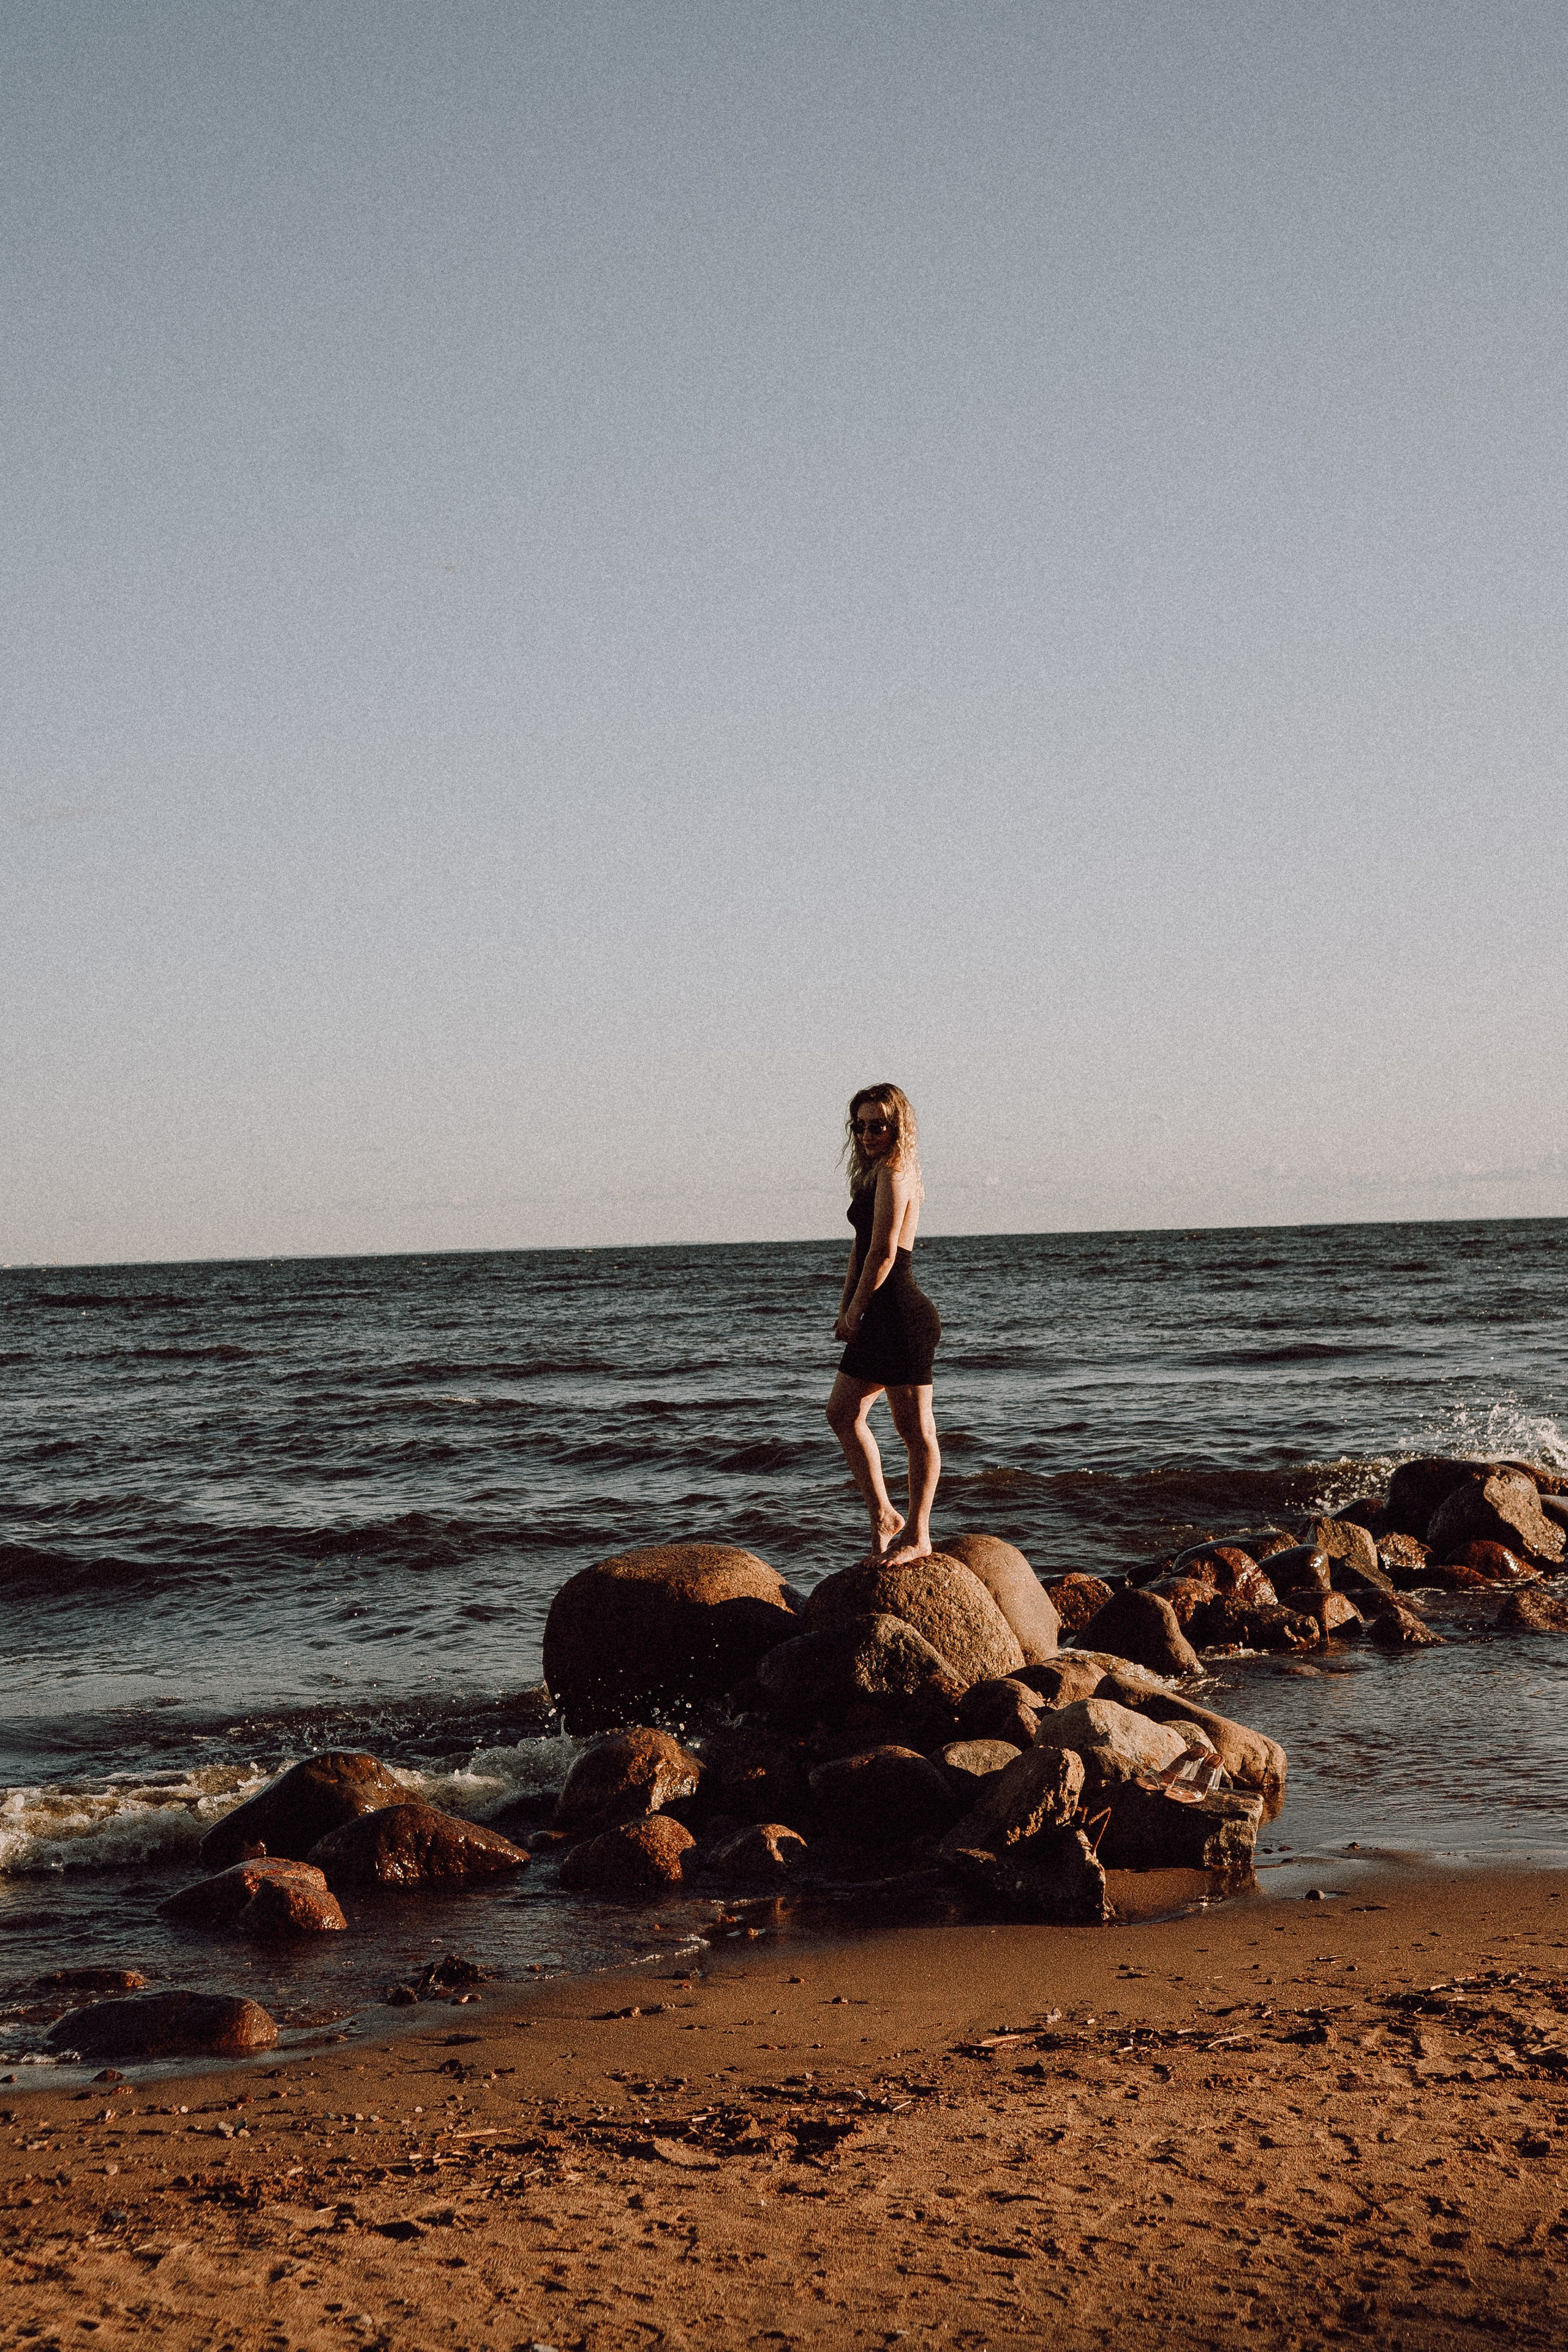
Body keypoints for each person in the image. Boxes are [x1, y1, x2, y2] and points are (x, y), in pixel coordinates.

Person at [825, 1083, 941, 1564]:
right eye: (861, 1125)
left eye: (879, 1125)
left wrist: (857, 1311)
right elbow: (859, 1247)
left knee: (915, 1430)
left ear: (898, 1127)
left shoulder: (897, 1173)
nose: (869, 1134)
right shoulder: (870, 1175)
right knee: (842, 1413)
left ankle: (918, 1533)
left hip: (902, 1314)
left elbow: (885, 1250)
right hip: (878, 1311)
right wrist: (845, 1304)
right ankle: (883, 1516)